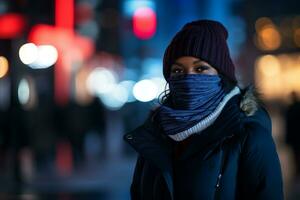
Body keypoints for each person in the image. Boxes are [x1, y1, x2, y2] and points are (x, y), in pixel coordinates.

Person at [124, 19, 283, 200]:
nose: (188, 78)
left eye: (200, 68)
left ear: (221, 75)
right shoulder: (155, 134)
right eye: (177, 71)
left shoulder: (248, 136)